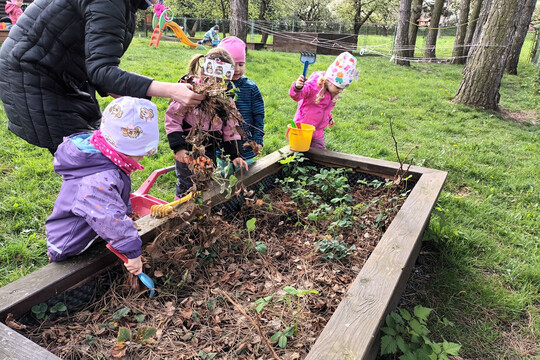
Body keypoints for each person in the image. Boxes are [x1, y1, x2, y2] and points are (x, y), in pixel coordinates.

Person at [0, 0, 205, 155]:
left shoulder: (126, 5)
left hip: (63, 76)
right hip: (34, 77)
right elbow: (101, 70)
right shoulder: (110, 2)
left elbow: (95, 60)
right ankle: (91, 207)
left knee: (97, 151)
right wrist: (171, 90)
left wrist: (126, 92)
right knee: (91, 160)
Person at [45, 96, 159, 276]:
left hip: (91, 226)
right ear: (121, 148)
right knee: (83, 277)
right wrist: (133, 253)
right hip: (70, 244)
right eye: (139, 153)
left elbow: (114, 200)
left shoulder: (105, 157)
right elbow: (109, 218)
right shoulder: (99, 179)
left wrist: (127, 215)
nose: (142, 158)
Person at [165, 47, 248, 199]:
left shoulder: (224, 101)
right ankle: (180, 214)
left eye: (221, 82)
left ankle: (201, 211)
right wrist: (179, 148)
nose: (215, 85)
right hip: (188, 149)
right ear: (203, 73)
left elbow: (231, 128)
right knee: (186, 183)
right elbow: (172, 119)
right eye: (212, 80)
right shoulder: (189, 94)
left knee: (206, 180)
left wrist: (235, 154)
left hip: (210, 148)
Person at [289, 52, 359, 150]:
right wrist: (297, 88)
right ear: (328, 81)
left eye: (342, 88)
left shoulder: (332, 92)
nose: (340, 90)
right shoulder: (313, 86)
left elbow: (323, 108)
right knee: (298, 153)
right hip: (302, 129)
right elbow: (297, 96)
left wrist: (329, 118)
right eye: (338, 87)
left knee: (320, 154)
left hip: (317, 132)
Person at [216, 36, 265, 174]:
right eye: (231, 65)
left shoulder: (251, 88)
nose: (237, 69)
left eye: (241, 64)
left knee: (246, 176)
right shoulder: (216, 88)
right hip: (223, 146)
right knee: (222, 177)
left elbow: (259, 114)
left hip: (247, 144)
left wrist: (257, 138)